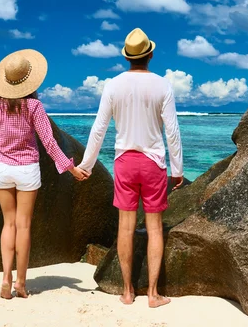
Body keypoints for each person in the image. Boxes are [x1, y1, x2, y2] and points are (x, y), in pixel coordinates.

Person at [78, 28, 183, 308]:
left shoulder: (113, 85)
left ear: (128, 57)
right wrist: (178, 168)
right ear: (150, 54)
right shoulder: (163, 85)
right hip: (153, 163)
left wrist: (86, 164)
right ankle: (152, 294)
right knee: (155, 228)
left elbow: (99, 128)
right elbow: (172, 131)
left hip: (125, 162)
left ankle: (126, 292)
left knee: (125, 228)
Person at [0, 49, 90, 300]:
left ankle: (5, 279)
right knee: (24, 226)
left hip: (2, 168)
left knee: (8, 224)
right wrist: (71, 168)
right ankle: (20, 283)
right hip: (26, 170)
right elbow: (50, 143)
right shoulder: (33, 106)